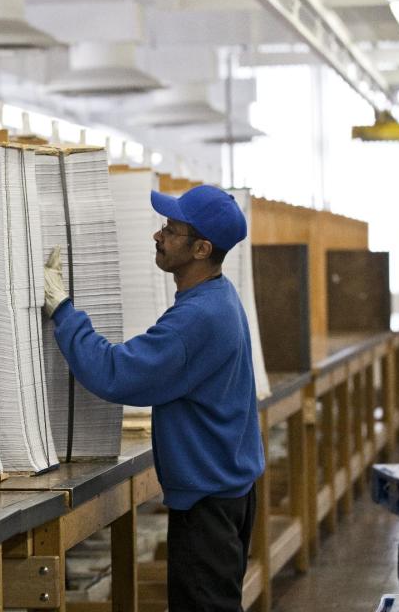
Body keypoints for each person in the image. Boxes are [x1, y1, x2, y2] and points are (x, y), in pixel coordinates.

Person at [43, 184, 264, 612]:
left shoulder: (198, 317)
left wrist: (64, 310)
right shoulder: (216, 295)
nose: (158, 236)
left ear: (201, 248)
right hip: (223, 491)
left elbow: (116, 374)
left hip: (208, 503)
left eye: (171, 229)